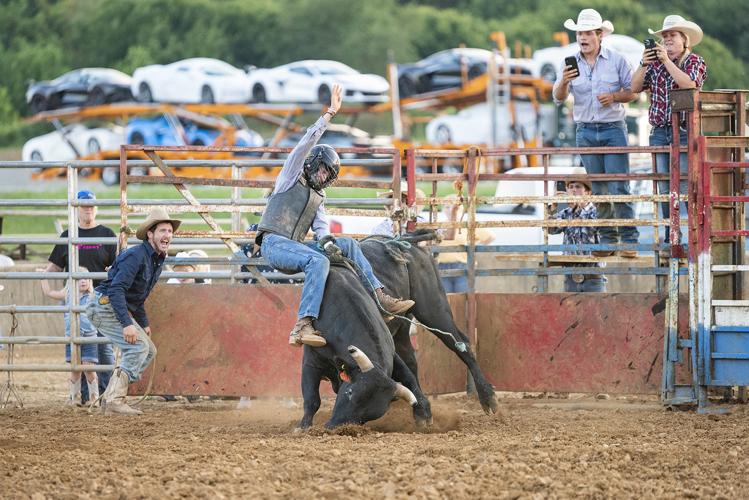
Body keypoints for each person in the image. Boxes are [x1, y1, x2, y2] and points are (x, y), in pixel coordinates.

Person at [255, 83, 414, 348]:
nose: (323, 177)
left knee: (349, 244)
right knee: (318, 263)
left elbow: (321, 228)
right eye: (322, 171)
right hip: (273, 243)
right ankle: (303, 324)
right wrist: (329, 114)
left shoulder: (319, 196)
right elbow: (305, 142)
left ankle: (380, 297)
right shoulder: (290, 176)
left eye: (328, 175)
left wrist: (327, 240)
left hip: (294, 246)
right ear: (312, 163)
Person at [552, 8, 639, 258]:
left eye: (588, 32)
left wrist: (613, 97)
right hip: (586, 130)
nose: (583, 37)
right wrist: (564, 82)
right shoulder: (569, 63)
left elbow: (633, 91)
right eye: (580, 33)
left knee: (619, 186)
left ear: (600, 35)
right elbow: (558, 98)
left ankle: (629, 240)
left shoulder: (618, 60)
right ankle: (608, 241)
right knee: (599, 188)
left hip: (612, 128)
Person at [85, 207, 181, 415]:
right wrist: (128, 324)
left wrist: (143, 323)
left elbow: (137, 296)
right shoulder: (136, 256)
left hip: (110, 306)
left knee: (149, 350)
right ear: (150, 234)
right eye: (163, 230)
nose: (167, 235)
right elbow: (117, 289)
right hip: (103, 305)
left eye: (170, 231)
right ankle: (114, 399)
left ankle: (110, 398)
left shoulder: (156, 259)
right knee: (137, 348)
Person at [631, 15, 706, 250]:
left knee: (684, 185)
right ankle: (671, 236)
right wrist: (644, 63)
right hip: (660, 132)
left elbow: (689, 83)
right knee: (665, 187)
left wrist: (666, 62)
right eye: (664, 37)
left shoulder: (695, 61)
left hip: (685, 131)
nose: (667, 40)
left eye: (672, 36)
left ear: (685, 40)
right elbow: (634, 88)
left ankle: (690, 234)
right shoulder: (654, 64)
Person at [45, 189, 116, 405]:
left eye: (91, 204)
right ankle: (85, 395)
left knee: (103, 349)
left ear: (96, 207)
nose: (88, 208)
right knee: (81, 350)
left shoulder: (107, 235)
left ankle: (107, 394)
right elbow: (54, 267)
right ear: (76, 208)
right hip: (77, 303)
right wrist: (45, 284)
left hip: (102, 301)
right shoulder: (68, 235)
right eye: (83, 204)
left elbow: (117, 267)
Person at [39, 267, 101, 405]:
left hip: (89, 337)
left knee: (88, 368)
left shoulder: (94, 296)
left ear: (90, 281)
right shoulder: (68, 294)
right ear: (72, 281)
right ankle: (74, 398)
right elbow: (49, 292)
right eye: (79, 278)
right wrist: (43, 277)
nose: (83, 281)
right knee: (75, 369)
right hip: (72, 337)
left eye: (86, 278)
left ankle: (94, 398)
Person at [549, 168, 607, 292]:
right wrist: (553, 207)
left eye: (578, 187)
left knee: (597, 311)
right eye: (570, 187)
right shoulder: (566, 213)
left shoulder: (597, 211)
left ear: (588, 192)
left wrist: (578, 206)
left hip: (594, 277)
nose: (573, 190)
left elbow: (594, 227)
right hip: (571, 277)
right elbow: (551, 229)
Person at [437, 194, 494, 293]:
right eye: (446, 207)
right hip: (442, 266)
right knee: (446, 300)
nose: (450, 210)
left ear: (460, 209)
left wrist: (474, 246)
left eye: (454, 207)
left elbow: (490, 237)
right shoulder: (440, 226)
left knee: (464, 298)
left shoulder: (467, 225)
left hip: (463, 265)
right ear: (443, 210)